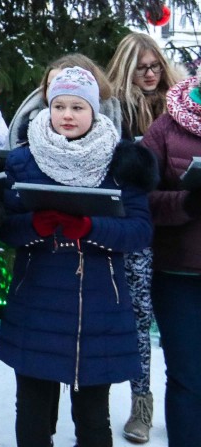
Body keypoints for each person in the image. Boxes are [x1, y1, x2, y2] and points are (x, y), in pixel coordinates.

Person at [0, 67, 155, 447]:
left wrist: (92, 228)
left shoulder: (120, 163)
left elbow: (139, 231)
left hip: (97, 304)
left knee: (93, 418)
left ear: (94, 111)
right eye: (60, 105)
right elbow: (4, 228)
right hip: (38, 301)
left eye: (78, 107)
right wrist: (36, 223)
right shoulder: (24, 161)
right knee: (32, 415)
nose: (67, 115)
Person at [107, 32, 181, 443]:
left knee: (178, 324)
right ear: (126, 69)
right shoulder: (114, 110)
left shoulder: (182, 106)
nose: (150, 74)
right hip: (135, 224)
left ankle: (184, 401)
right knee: (138, 319)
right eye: (141, 68)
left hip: (177, 224)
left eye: (155, 66)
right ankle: (141, 402)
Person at [138, 72, 201, 447]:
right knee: (188, 377)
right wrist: (186, 203)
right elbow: (138, 198)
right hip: (178, 274)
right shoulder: (166, 127)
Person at [7, 53, 123, 148]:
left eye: (77, 108)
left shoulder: (110, 129)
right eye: (49, 85)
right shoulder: (30, 120)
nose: (53, 90)